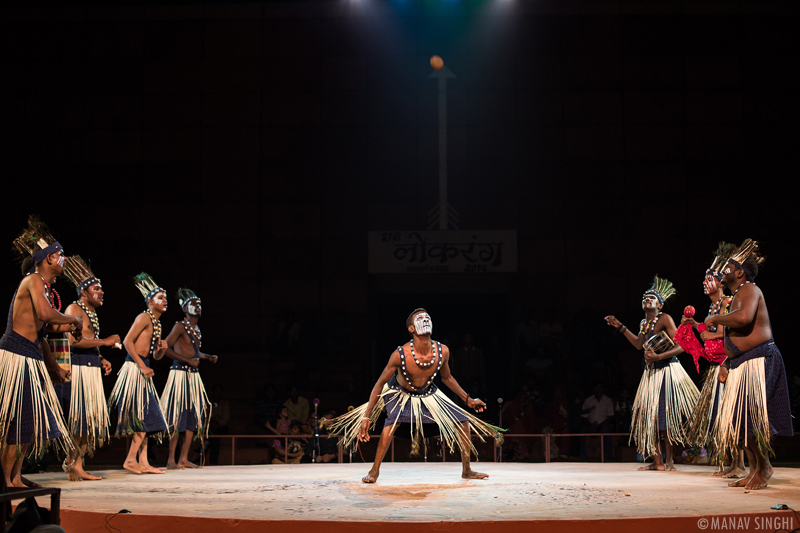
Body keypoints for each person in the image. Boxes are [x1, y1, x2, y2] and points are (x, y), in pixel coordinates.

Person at [327, 309, 502, 483]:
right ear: (411, 329)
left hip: (428, 393)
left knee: (463, 421)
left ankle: (467, 470)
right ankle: (374, 471)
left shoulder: (443, 351)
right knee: (392, 422)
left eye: (428, 317)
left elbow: (447, 378)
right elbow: (379, 384)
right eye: (420, 318)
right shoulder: (400, 354)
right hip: (399, 394)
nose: (425, 319)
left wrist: (468, 400)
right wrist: (367, 417)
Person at [708, 239, 793, 490]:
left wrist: (715, 317)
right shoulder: (737, 294)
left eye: (727, 267)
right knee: (740, 421)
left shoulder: (750, 289)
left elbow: (744, 318)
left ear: (740, 271)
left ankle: (764, 467)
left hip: (759, 360)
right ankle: (755, 469)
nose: (722, 271)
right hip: (742, 362)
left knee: (751, 419)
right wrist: (726, 360)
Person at [0, 217, 79, 488]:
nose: (63, 260)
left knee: (27, 423)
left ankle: (14, 476)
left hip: (30, 357)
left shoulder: (42, 287)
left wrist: (54, 368)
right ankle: (5, 481)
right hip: (17, 357)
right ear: (47, 260)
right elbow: (47, 315)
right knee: (15, 422)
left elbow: (44, 333)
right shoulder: (33, 280)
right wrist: (75, 321)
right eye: (60, 256)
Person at [605, 276, 699, 471]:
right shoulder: (643, 323)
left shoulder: (664, 318)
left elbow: (683, 345)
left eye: (651, 298)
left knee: (666, 417)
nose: (646, 300)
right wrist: (620, 326)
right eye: (644, 298)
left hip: (666, 371)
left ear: (660, 305)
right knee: (652, 417)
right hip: (651, 374)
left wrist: (659, 356)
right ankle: (658, 462)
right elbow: (639, 344)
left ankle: (670, 461)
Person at [677, 242, 746, 478]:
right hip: (716, 368)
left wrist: (711, 333)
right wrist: (696, 327)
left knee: (730, 417)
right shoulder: (713, 306)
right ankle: (730, 463)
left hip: (728, 366)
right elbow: (710, 331)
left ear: (720, 281)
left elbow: (732, 331)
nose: (705, 283)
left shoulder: (727, 303)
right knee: (720, 418)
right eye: (704, 280)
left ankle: (739, 465)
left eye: (709, 279)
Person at [60, 255, 119, 481]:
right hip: (78, 370)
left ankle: (79, 464)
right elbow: (75, 341)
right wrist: (104, 342)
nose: (101, 292)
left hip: (91, 367)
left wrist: (101, 357)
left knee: (88, 420)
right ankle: (69, 463)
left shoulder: (91, 313)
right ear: (84, 292)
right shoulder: (74, 307)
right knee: (78, 419)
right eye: (96, 289)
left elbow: (88, 341)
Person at [107, 272, 169, 474]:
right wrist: (142, 366)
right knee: (143, 417)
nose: (165, 301)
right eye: (160, 298)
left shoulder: (157, 323)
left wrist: (161, 350)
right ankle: (130, 459)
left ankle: (143, 460)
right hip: (134, 369)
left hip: (145, 368)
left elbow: (156, 357)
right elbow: (127, 342)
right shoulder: (144, 317)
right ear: (150, 301)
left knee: (149, 417)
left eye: (165, 298)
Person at [161, 288, 216, 470]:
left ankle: (183, 458)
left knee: (193, 418)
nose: (198, 307)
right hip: (179, 375)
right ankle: (171, 459)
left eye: (199, 304)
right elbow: (166, 348)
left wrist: (207, 357)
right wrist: (187, 361)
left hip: (193, 377)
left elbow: (194, 354)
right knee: (177, 417)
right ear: (185, 308)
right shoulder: (179, 326)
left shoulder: (197, 329)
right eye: (193, 304)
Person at [580, 383, 615, 459]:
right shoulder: (588, 400)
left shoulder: (608, 400)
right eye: (597, 387)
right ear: (594, 389)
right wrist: (592, 425)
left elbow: (610, 416)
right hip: (590, 425)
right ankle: (583, 455)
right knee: (582, 430)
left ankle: (607, 455)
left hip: (603, 425)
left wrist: (598, 426)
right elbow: (584, 416)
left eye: (600, 387)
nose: (598, 389)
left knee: (606, 430)